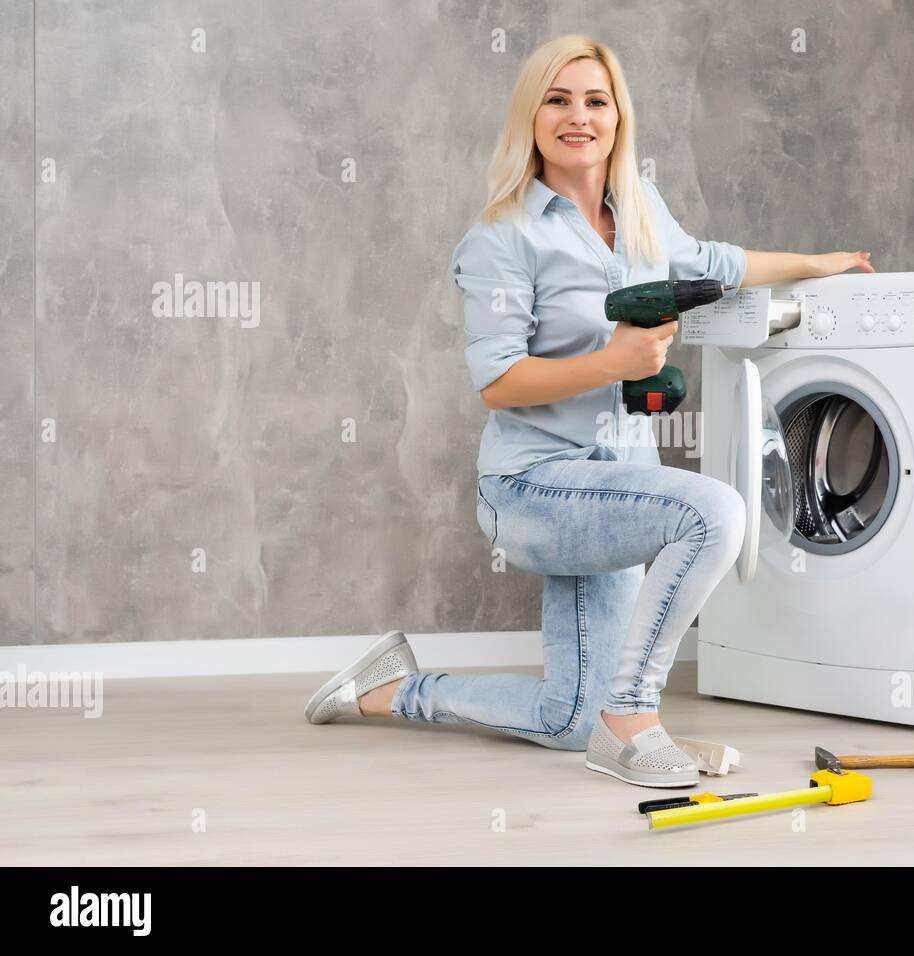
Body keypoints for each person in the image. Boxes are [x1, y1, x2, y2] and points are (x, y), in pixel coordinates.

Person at [305, 34, 874, 788]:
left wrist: (820, 264)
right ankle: (633, 719)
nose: (579, 116)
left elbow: (714, 265)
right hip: (532, 490)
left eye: (596, 101)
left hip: (617, 486)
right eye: (558, 99)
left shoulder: (640, 213)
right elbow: (498, 382)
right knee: (714, 515)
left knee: (566, 718)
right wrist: (613, 364)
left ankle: (386, 689)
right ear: (532, 115)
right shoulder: (502, 237)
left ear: (618, 117)